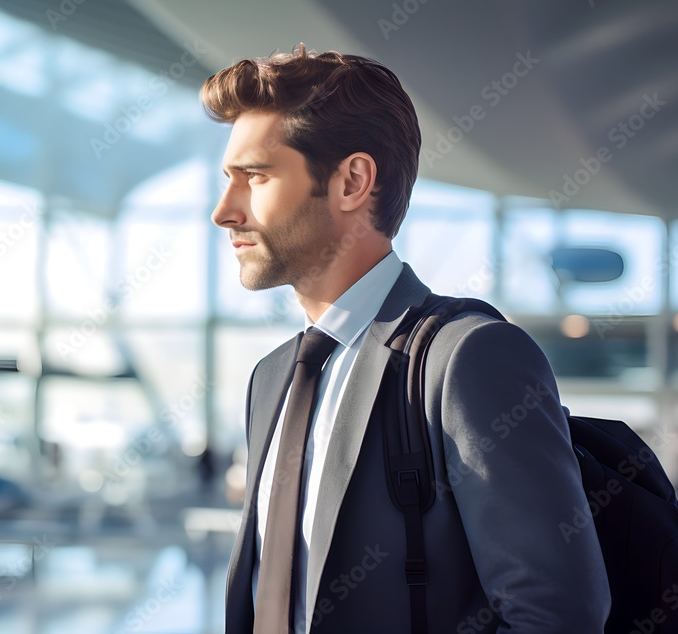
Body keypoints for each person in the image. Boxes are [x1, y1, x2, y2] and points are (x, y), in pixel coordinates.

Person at [200, 45, 611, 633]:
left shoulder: (469, 358)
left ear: (352, 181)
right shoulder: (272, 379)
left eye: (256, 176)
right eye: (227, 180)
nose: (224, 211)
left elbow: (558, 614)